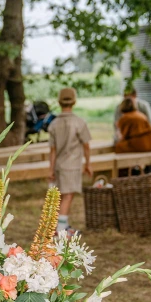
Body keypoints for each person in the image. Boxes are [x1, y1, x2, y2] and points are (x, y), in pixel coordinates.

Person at [48, 88, 92, 235]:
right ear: (74, 101)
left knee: (60, 195)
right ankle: (61, 228)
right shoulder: (79, 122)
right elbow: (86, 145)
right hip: (72, 165)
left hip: (59, 165)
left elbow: (52, 150)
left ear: (59, 102)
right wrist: (88, 163)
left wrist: (51, 169)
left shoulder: (53, 124)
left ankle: (61, 225)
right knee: (68, 196)